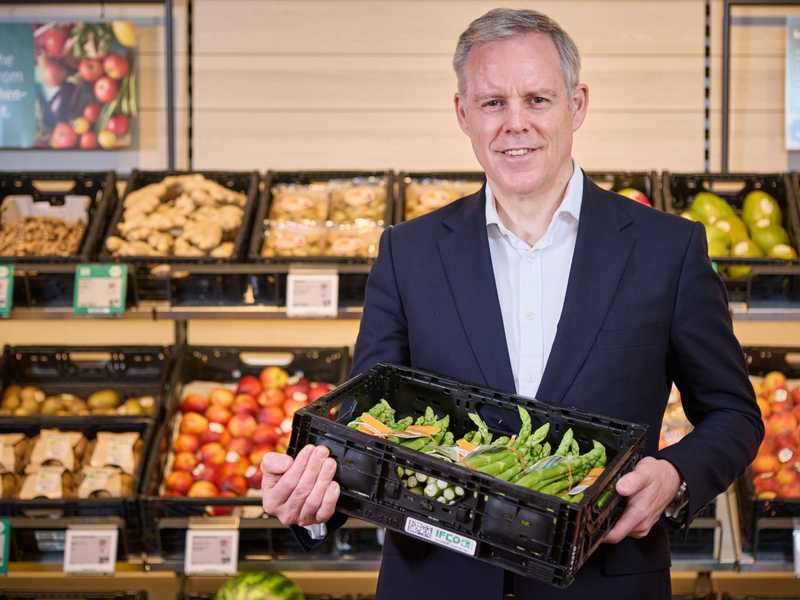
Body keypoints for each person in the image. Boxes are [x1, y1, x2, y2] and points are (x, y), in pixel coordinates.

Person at [262, 8, 764, 599]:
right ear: (463, 114)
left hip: (603, 581)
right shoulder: (409, 253)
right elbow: (369, 431)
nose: (515, 123)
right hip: (435, 583)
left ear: (577, 105)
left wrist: (675, 477)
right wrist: (315, 496)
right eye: (493, 102)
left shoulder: (666, 249)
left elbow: (734, 414)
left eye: (538, 100)